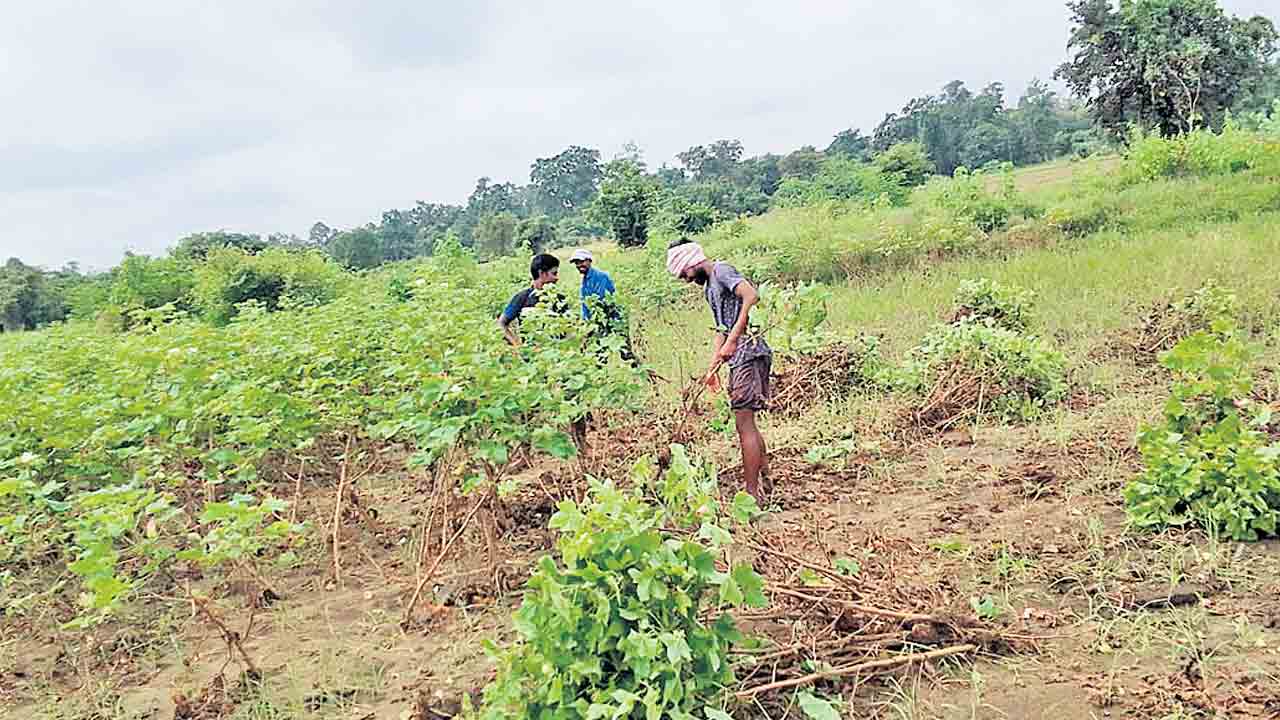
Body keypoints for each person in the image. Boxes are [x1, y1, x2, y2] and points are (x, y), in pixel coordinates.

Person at [666, 240, 772, 502]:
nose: (686, 280)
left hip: (750, 351)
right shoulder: (709, 289)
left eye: (685, 274)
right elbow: (720, 329)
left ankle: (751, 493)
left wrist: (734, 340)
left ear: (691, 262)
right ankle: (766, 477)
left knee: (743, 424)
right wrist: (712, 368)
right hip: (740, 355)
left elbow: (751, 295)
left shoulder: (722, 271)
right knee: (748, 422)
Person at [498, 253, 561, 347]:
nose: (557, 278)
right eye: (554, 273)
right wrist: (518, 345)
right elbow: (502, 323)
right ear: (542, 274)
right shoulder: (522, 298)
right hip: (532, 358)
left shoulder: (559, 300)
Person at [569, 249, 616, 321]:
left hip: (606, 320)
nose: (579, 265)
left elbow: (600, 301)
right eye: (576, 263)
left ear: (589, 261)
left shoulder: (601, 276)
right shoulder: (585, 279)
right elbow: (584, 303)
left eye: (581, 261)